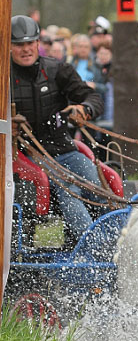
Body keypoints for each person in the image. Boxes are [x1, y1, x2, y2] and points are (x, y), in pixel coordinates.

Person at [10, 14, 105, 240]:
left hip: (66, 151)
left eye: (30, 43)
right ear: (9, 46)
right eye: (19, 45)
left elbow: (93, 97)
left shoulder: (58, 70)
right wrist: (6, 127)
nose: (25, 49)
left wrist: (85, 109)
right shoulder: (3, 77)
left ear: (37, 43)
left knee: (100, 188)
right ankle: (92, 247)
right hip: (25, 156)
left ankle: (115, 241)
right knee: (68, 189)